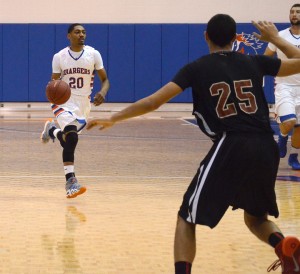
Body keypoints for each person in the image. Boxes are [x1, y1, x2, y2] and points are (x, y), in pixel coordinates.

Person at [87, 14, 300, 273]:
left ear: (206, 36)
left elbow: (154, 101)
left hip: (232, 142)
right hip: (266, 144)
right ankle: (284, 247)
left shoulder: (197, 68)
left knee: (186, 217)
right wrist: (276, 39)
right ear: (235, 39)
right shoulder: (254, 61)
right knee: (255, 218)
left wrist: (114, 118)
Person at [41, 23, 110, 198]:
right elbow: (54, 84)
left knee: (67, 140)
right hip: (63, 103)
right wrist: (54, 94)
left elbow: (105, 79)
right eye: (77, 32)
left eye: (83, 32)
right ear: (69, 36)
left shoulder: (93, 54)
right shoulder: (59, 57)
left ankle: (52, 130)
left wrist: (102, 92)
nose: (81, 35)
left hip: (83, 105)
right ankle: (70, 181)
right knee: (72, 137)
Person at [263, 4, 300, 170]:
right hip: (284, 85)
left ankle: (294, 156)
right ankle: (283, 137)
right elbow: (266, 58)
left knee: (299, 127)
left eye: (298, 12)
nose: (294, 14)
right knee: (289, 121)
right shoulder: (279, 36)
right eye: (292, 12)